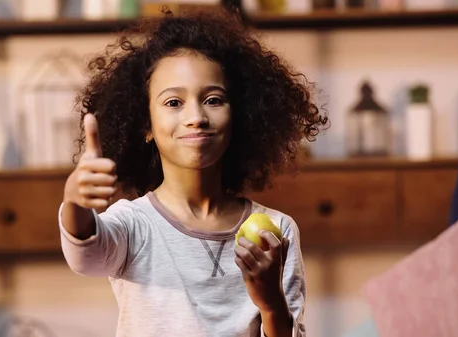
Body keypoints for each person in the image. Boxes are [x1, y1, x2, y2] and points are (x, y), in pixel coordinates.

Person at [59, 7, 327, 337]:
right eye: (174, 103)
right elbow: (85, 257)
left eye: (213, 100)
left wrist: (271, 303)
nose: (196, 116)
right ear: (146, 124)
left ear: (239, 117)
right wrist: (74, 201)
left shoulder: (279, 230)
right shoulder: (134, 224)